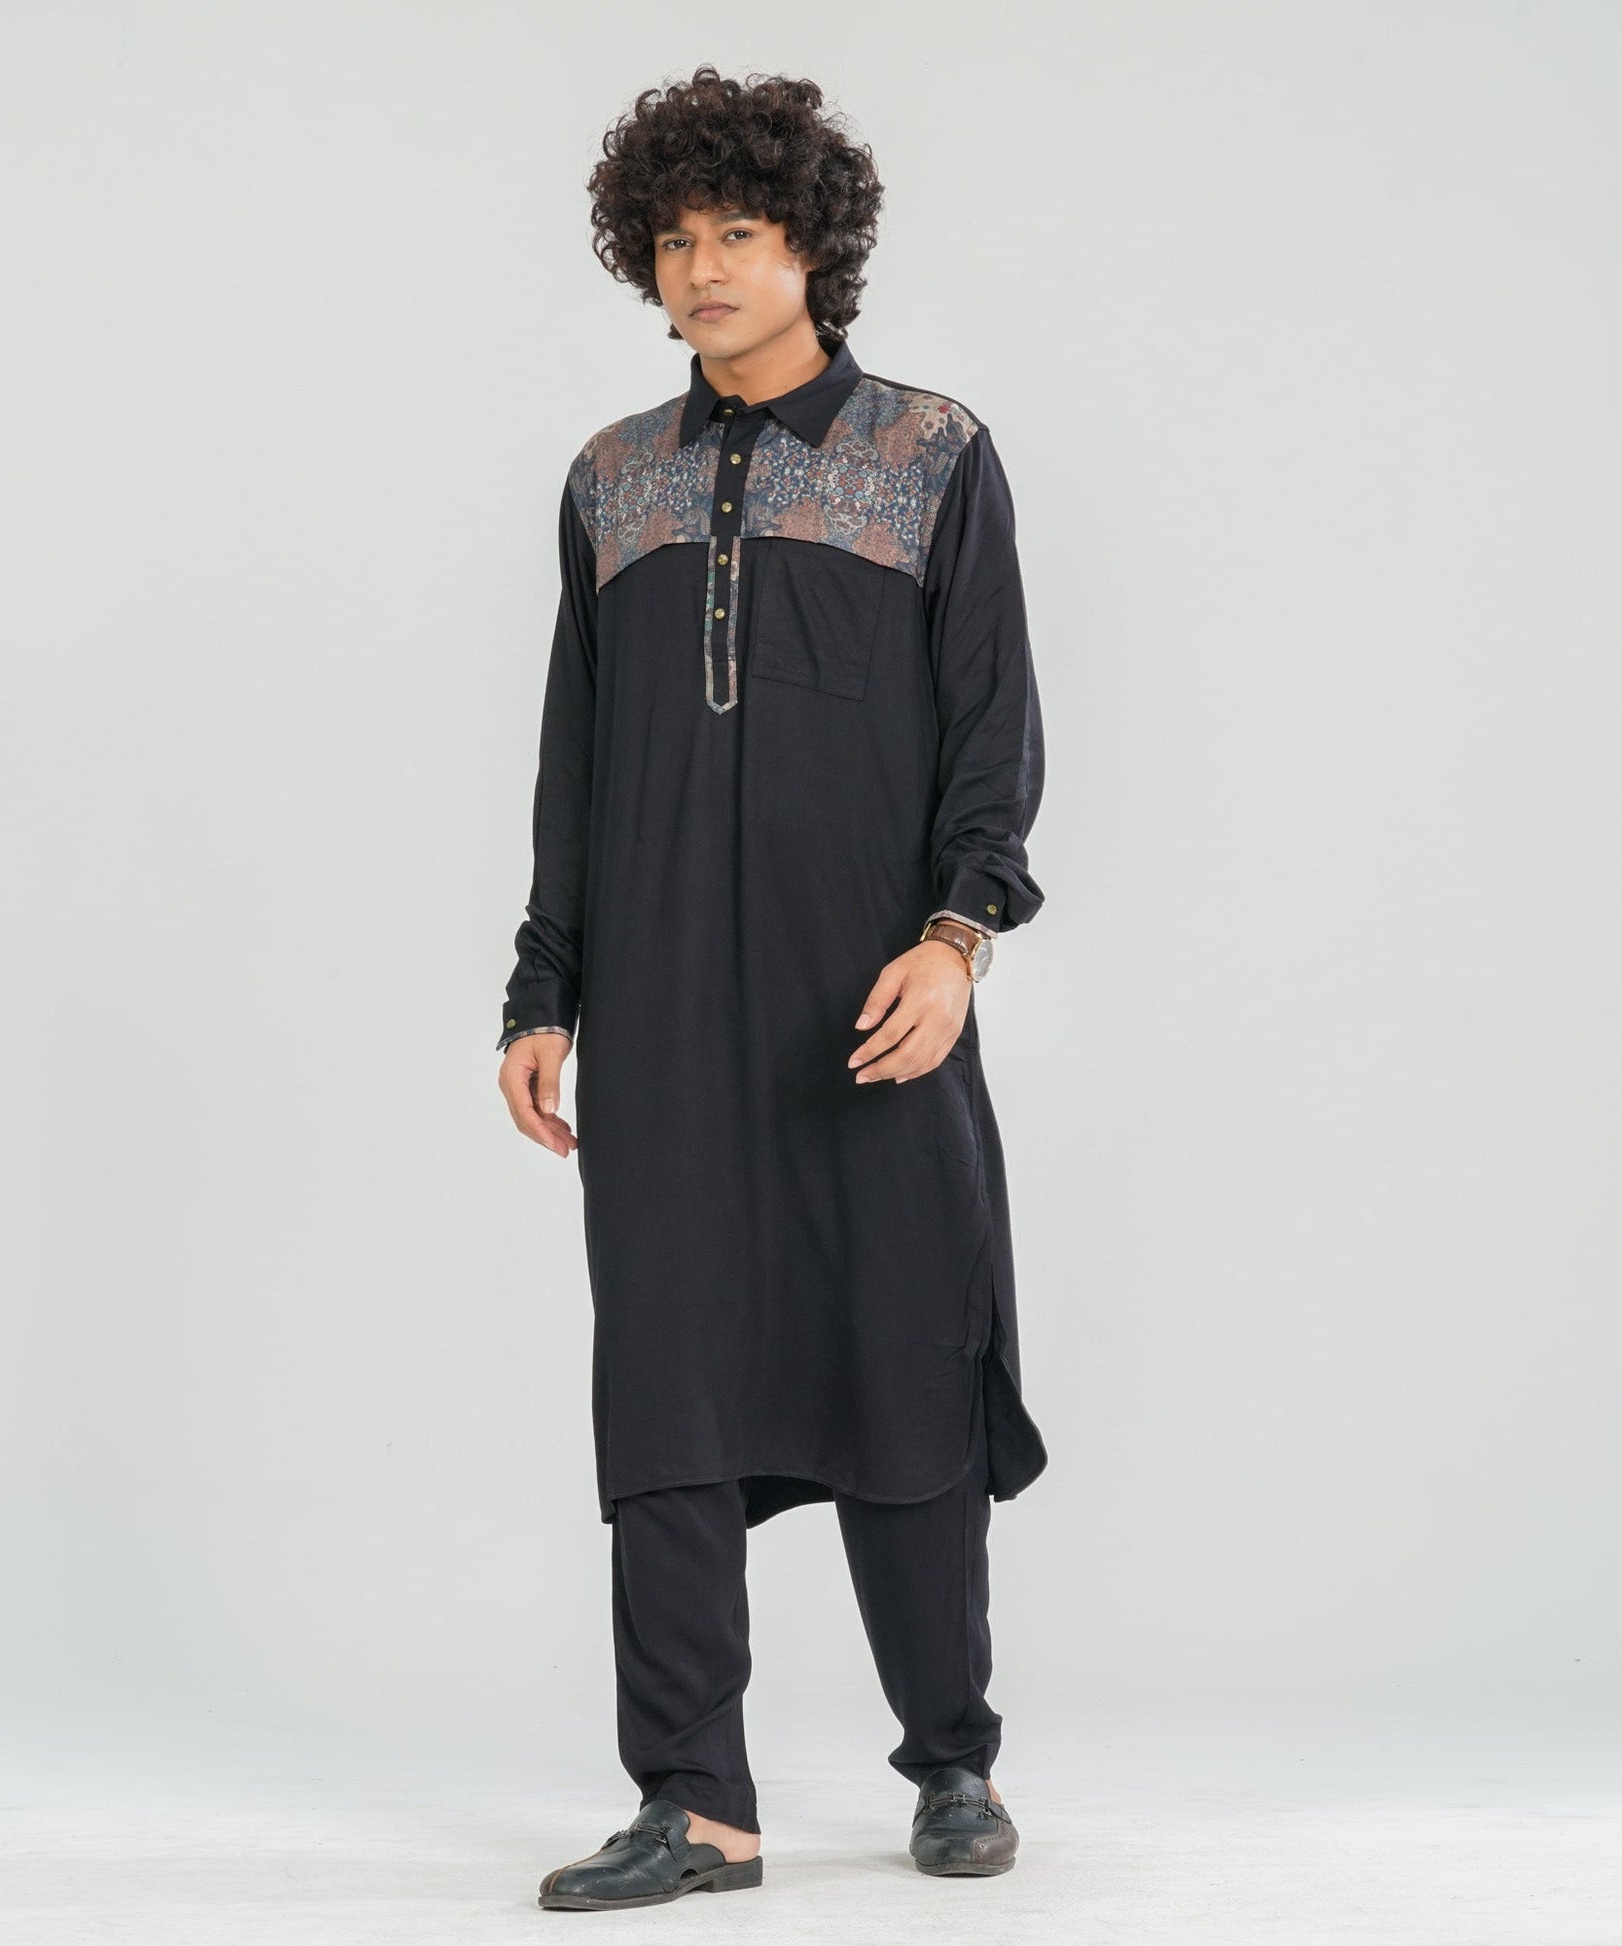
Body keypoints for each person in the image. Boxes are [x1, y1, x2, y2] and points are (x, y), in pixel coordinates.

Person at [495, 66, 1050, 1911]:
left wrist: (953, 940)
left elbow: (991, 734)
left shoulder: (931, 453)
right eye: (674, 237)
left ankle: (951, 1754)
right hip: (661, 1024)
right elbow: (575, 760)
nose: (705, 266)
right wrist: (543, 987)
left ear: (812, 246)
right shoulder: (611, 480)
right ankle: (696, 1800)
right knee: (662, 1386)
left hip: (867, 1014)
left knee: (904, 1365)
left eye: (739, 230)